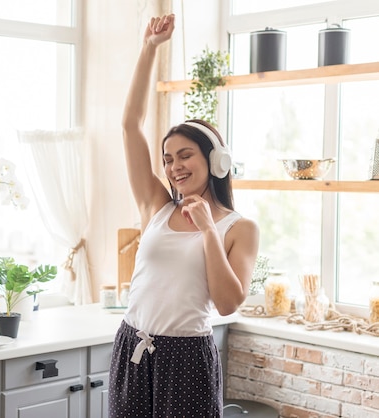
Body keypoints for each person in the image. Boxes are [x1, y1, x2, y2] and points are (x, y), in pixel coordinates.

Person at [109, 13, 260, 418]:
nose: (175, 167)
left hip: (187, 357)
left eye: (185, 155)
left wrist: (208, 230)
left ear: (216, 160)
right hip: (133, 346)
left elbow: (229, 303)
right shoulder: (156, 206)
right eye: (168, 159)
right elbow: (129, 126)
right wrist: (149, 49)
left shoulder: (239, 228)